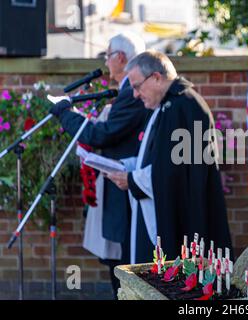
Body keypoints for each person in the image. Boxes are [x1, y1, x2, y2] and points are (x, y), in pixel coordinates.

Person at [107, 50, 233, 264]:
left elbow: (178, 174)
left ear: (156, 77)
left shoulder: (185, 107)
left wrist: (132, 180)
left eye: (137, 86)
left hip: (183, 221)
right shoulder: (166, 106)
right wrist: (126, 167)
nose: (135, 94)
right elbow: (157, 158)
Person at [49, 33, 150, 298]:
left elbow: (102, 134)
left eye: (107, 55)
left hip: (127, 187)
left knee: (125, 263)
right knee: (118, 260)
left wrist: (66, 115)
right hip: (117, 182)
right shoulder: (126, 90)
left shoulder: (130, 92)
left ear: (120, 57)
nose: (105, 62)